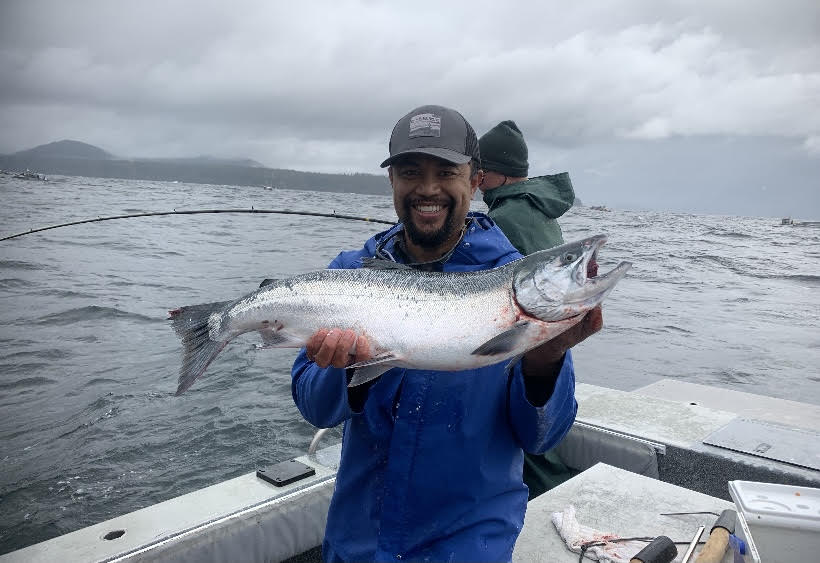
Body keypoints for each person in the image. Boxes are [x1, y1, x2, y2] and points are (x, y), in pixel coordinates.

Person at [291, 105, 602, 562]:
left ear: (475, 181)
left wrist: (545, 363)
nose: (428, 188)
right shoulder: (350, 274)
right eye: (410, 172)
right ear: (392, 181)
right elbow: (314, 407)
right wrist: (346, 372)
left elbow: (543, 438)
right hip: (358, 541)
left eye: (446, 172)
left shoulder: (512, 286)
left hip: (468, 545)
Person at [478, 120, 585, 500]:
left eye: (481, 172)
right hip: (539, 331)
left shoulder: (505, 218)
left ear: (500, 173)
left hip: (515, 338)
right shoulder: (537, 211)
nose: (477, 181)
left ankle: (547, 499)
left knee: (522, 438)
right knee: (538, 421)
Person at [478, 120, 575, 256]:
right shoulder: (539, 206)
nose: (477, 183)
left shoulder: (502, 219)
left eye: (481, 174)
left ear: (503, 172)